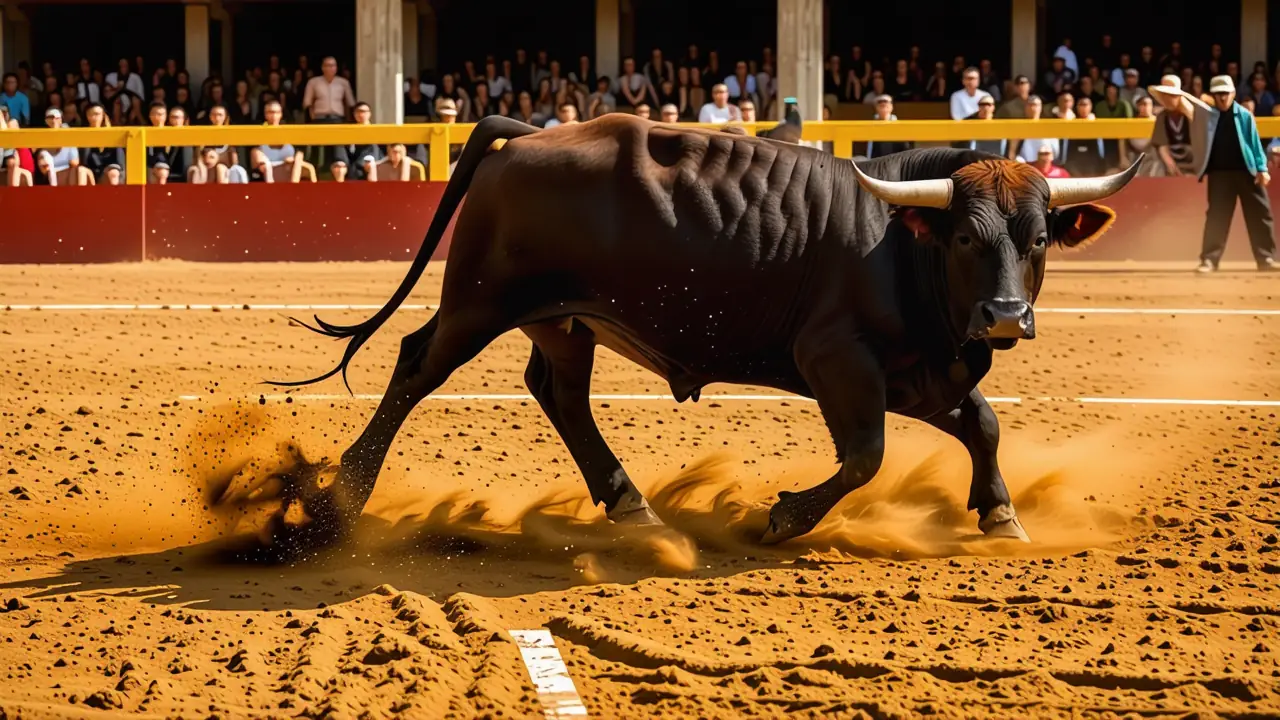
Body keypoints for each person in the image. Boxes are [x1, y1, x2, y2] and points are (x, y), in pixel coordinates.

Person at [1156, 76, 1277, 273]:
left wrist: (1262, 168)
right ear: (1213, 95)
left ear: (1233, 94)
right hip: (1220, 174)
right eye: (1218, 94)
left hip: (1248, 173)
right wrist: (1172, 91)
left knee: (1260, 215)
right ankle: (1209, 260)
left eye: (1225, 93)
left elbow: (1255, 145)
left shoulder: (1245, 115)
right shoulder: (1205, 115)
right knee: (1217, 217)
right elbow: (1184, 103)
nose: (1222, 98)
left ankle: (1266, 259)